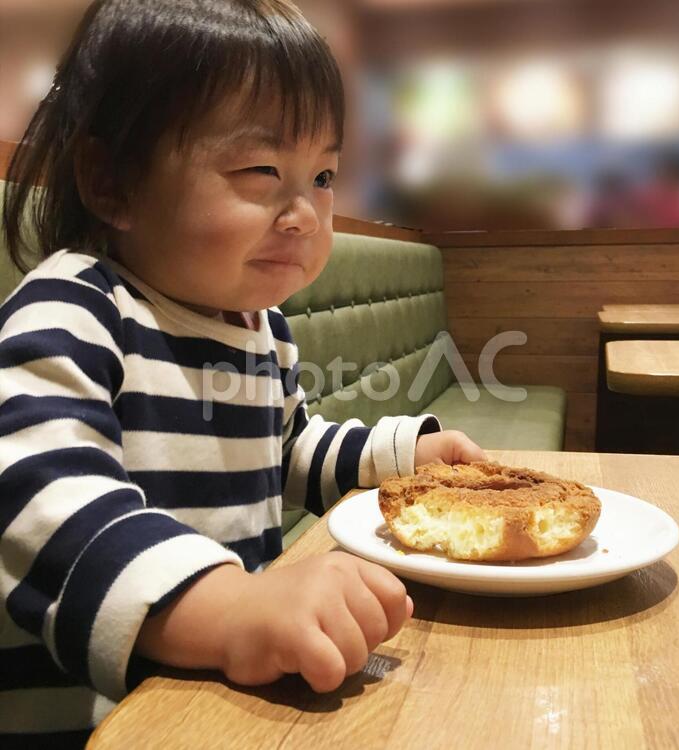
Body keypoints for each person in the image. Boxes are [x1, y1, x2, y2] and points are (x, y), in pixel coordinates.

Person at [0, 0, 485, 745]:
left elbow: (285, 449)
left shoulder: (260, 331)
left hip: (223, 694)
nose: (305, 214)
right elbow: (42, 503)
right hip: (94, 714)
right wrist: (229, 609)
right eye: (262, 170)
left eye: (322, 174)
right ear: (112, 181)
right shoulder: (75, 310)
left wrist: (401, 457)